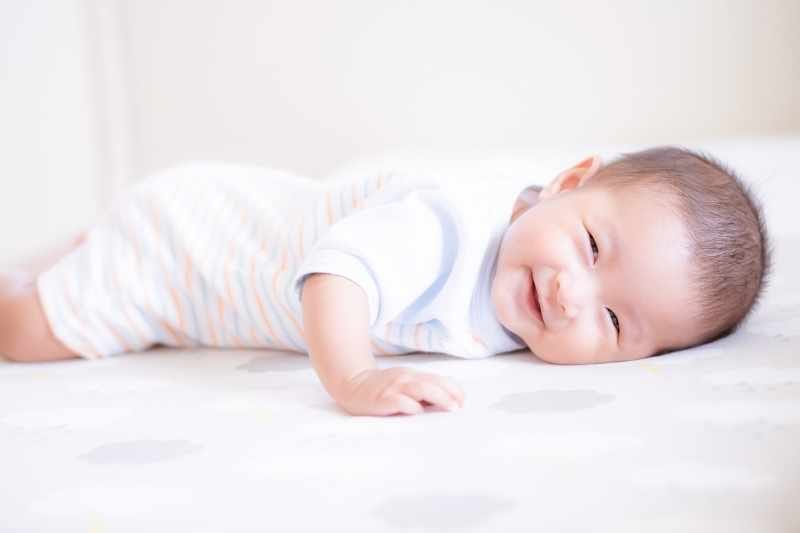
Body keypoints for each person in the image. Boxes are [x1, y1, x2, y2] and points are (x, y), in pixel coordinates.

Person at [0, 147, 770, 416]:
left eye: (613, 323)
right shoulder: (450, 223)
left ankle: (77, 254)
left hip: (195, 287)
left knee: (69, 287)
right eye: (593, 245)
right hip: (183, 250)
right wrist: (355, 376)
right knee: (27, 335)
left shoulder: (533, 284)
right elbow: (336, 273)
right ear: (568, 180)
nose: (573, 295)